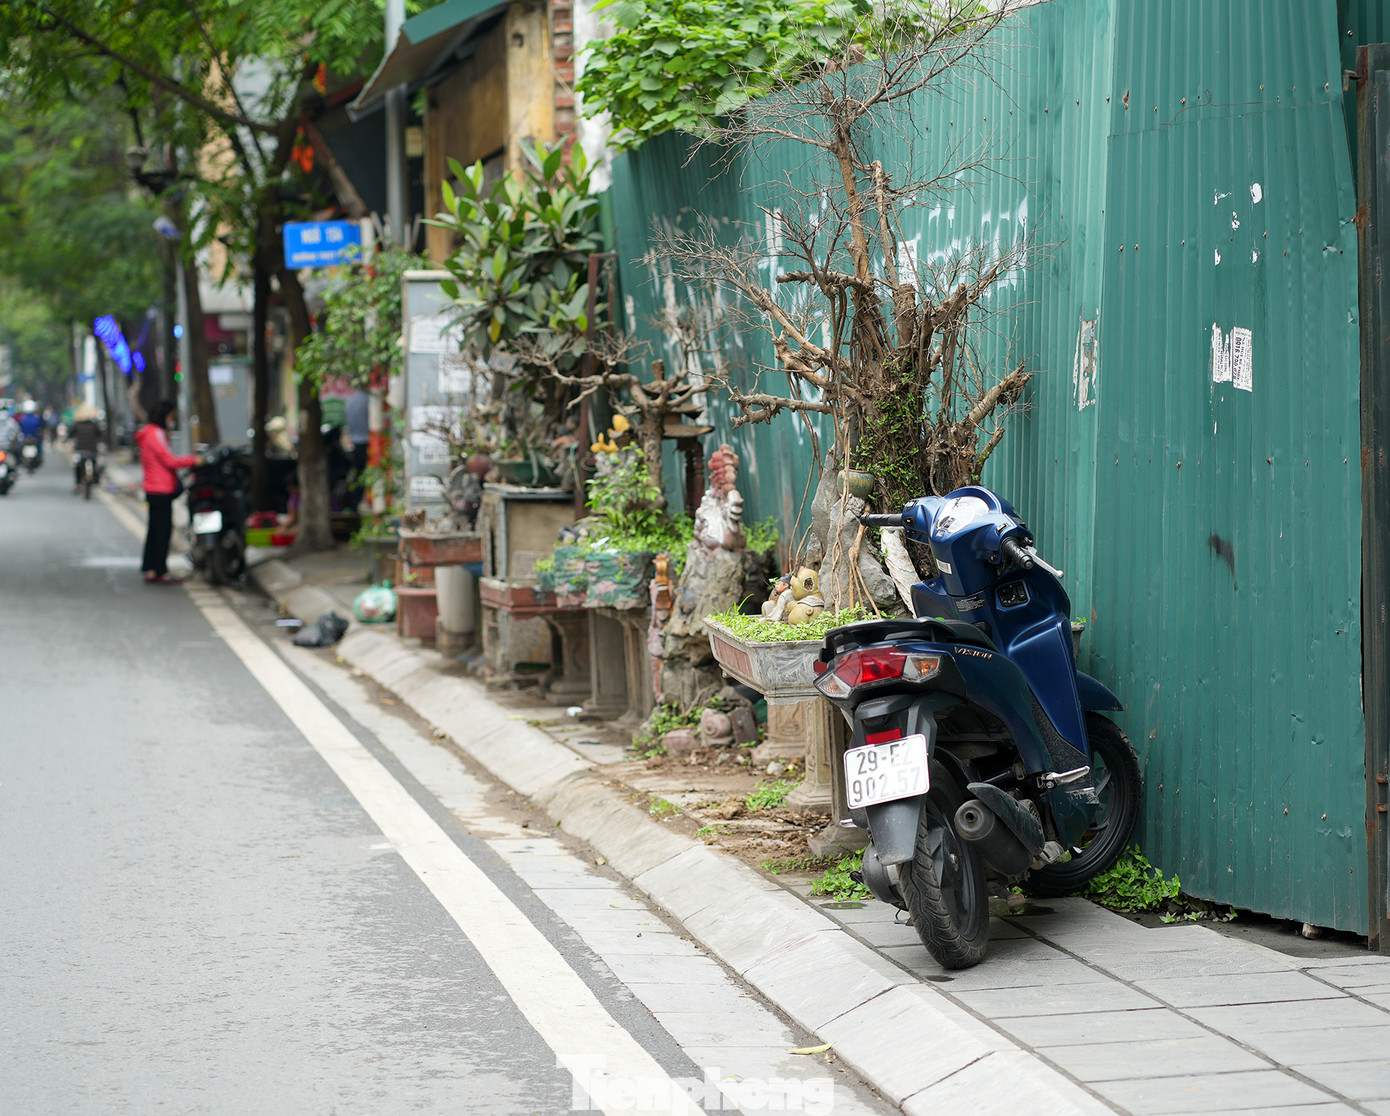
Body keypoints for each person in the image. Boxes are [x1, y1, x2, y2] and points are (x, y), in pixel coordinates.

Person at [134, 400, 200, 584]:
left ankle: (151, 569)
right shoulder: (156, 433)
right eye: (171, 416)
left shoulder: (147, 433)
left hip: (152, 488)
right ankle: (160, 571)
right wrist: (192, 460)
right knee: (162, 531)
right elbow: (169, 460)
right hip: (161, 489)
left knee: (154, 530)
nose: (172, 419)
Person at [344, 388, 370, 511]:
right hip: (367, 441)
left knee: (359, 475)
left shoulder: (351, 401)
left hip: (355, 442)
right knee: (364, 475)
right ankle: (360, 502)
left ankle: (355, 503)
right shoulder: (368, 400)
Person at [70, 404, 104, 493]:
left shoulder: (76, 425)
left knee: (77, 467)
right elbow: (100, 435)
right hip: (92, 450)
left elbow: (70, 434)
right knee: (96, 464)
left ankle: (78, 484)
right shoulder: (94, 425)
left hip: (80, 450)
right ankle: (96, 480)